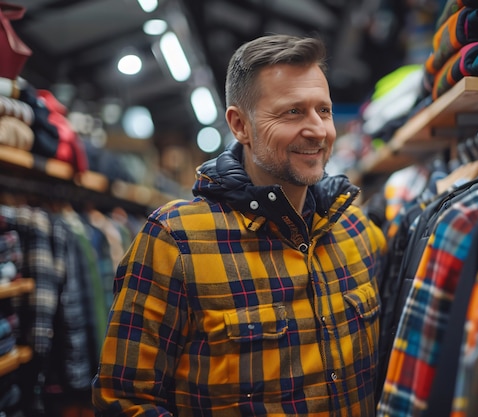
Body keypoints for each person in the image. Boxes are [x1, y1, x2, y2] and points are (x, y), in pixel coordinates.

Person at [91, 34, 387, 416]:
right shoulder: (174, 242)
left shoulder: (360, 233)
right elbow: (123, 401)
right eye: (293, 112)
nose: (318, 130)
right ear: (240, 126)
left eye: (324, 111)